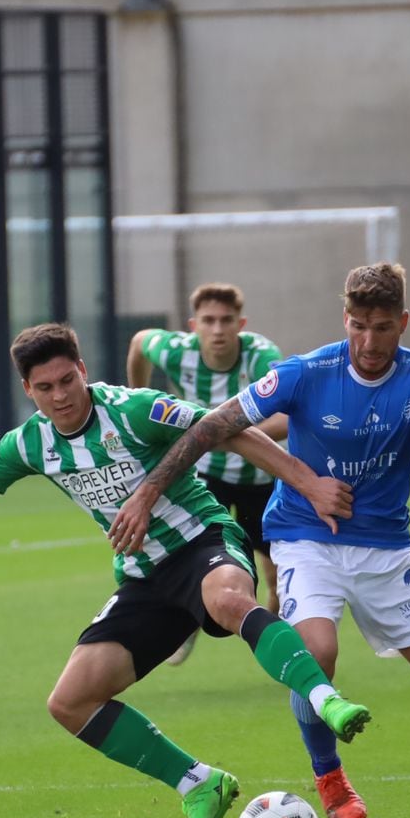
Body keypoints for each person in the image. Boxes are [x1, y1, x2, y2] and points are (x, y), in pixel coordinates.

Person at [0, 322, 372, 818]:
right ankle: (199, 784)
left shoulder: (132, 408)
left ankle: (325, 699)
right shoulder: (30, 444)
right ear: (28, 390)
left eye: (67, 381)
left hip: (202, 541)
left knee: (228, 602)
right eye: (45, 388)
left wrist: (309, 484)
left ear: (83, 369)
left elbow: (228, 428)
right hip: (143, 579)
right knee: (69, 702)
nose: (59, 397)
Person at [116, 264, 410, 818]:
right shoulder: (307, 371)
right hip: (304, 538)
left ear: (404, 324)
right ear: (346, 320)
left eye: (383, 328)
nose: (368, 342)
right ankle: (330, 776)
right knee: (317, 651)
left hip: (387, 549)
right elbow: (216, 426)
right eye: (359, 326)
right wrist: (149, 488)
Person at [128, 282, 286, 661]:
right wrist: (136, 397)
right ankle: (185, 626)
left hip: (258, 477)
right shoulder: (176, 351)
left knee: (276, 574)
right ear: (193, 324)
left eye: (226, 321)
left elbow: (287, 416)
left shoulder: (261, 356)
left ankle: (275, 632)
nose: (217, 330)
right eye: (209, 321)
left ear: (241, 323)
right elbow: (138, 343)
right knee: (193, 554)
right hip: (204, 477)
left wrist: (225, 437)